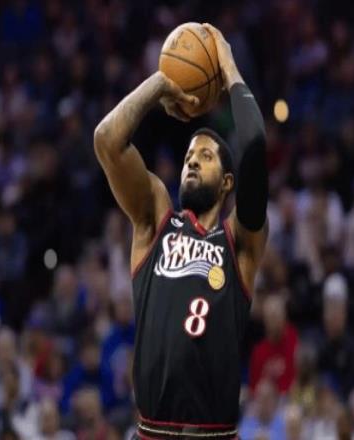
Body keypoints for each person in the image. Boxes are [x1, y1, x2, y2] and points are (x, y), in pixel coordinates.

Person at [94, 23, 269, 438]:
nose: (191, 161)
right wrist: (160, 82)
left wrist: (228, 67)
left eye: (205, 156)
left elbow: (255, 147)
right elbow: (107, 140)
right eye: (190, 154)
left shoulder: (238, 242)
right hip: (150, 432)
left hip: (214, 434)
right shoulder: (156, 219)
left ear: (227, 182)